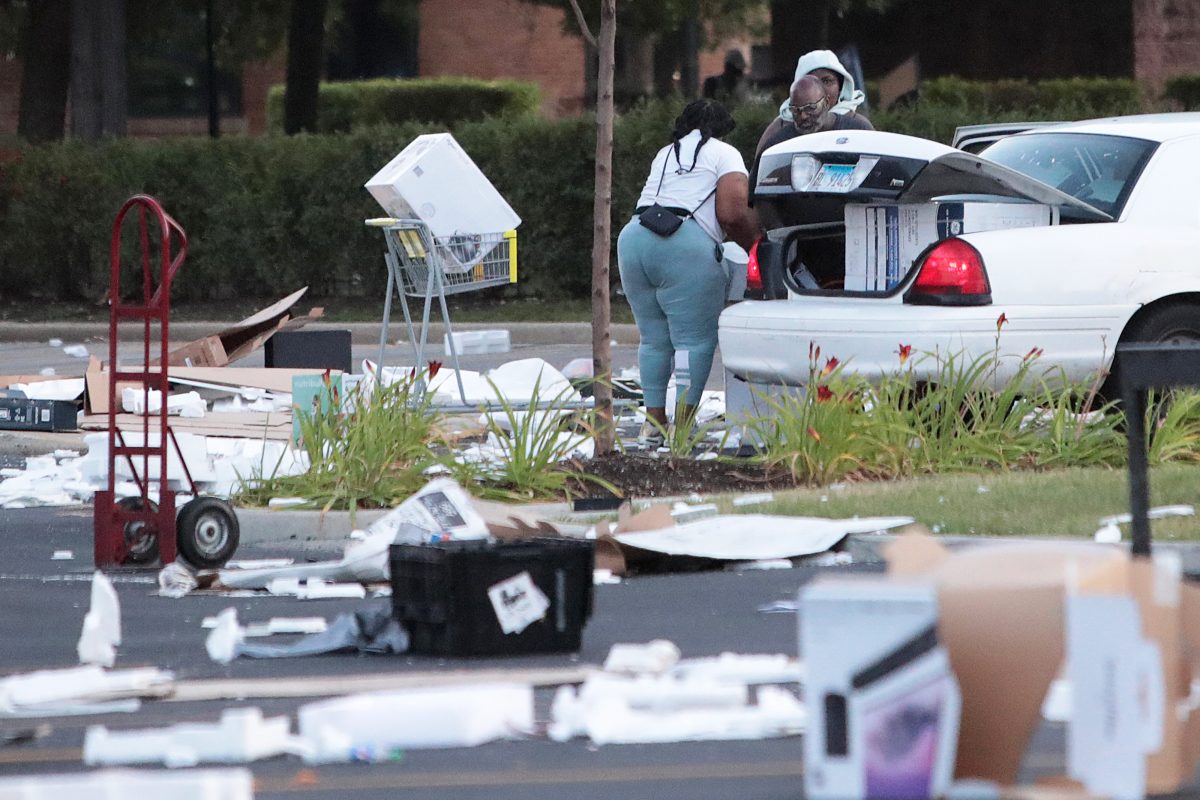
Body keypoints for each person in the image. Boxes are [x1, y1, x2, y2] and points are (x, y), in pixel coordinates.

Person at [617, 99, 759, 448]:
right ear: (724, 126)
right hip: (685, 243)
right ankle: (681, 429)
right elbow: (732, 212)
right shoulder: (725, 153)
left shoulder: (665, 153)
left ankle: (653, 422)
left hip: (633, 238)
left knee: (653, 339)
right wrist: (756, 245)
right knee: (693, 341)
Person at [754, 49, 873, 164]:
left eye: (827, 81)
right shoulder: (778, 129)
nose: (820, 88)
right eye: (811, 80)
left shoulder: (858, 126)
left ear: (840, 87)